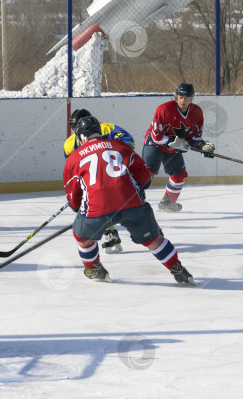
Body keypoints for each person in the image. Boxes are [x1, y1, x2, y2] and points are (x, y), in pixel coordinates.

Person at [63, 116, 194, 284]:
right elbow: (145, 177)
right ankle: (177, 268)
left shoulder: (74, 158)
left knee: (81, 236)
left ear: (81, 137)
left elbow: (73, 200)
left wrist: (82, 209)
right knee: (153, 239)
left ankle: (93, 267)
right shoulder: (120, 146)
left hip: (97, 208)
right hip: (132, 204)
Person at [64, 108, 135, 253]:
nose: (75, 130)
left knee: (133, 201)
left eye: (77, 126)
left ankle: (147, 228)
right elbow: (73, 173)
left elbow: (129, 142)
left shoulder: (106, 129)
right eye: (73, 127)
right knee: (100, 203)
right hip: (94, 180)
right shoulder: (70, 145)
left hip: (118, 173)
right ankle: (110, 233)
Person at [142, 83, 215, 212]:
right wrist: (175, 143)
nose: (183, 100)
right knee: (146, 174)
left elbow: (195, 137)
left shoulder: (196, 112)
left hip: (174, 148)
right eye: (180, 97)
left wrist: (204, 147)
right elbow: (156, 137)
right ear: (176, 96)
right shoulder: (164, 109)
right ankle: (135, 201)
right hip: (154, 145)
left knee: (180, 175)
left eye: (187, 98)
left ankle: (167, 203)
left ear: (192, 98)